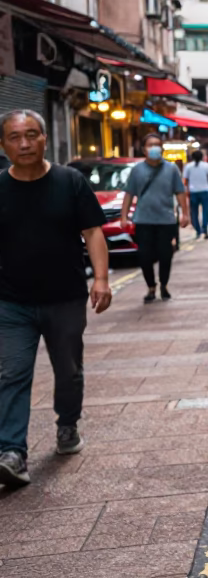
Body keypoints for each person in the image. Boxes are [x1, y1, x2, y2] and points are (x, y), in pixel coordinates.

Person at [0, 109, 112, 487]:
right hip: (11, 302)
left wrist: (100, 279)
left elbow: (93, 232)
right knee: (12, 373)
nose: (24, 143)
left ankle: (67, 425)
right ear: (3, 145)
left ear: (45, 139)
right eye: (15, 137)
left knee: (68, 369)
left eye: (31, 134)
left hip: (64, 298)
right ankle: (12, 452)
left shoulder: (70, 181)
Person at [121, 133, 191, 303]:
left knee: (165, 255)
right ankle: (151, 286)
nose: (154, 148)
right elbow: (129, 194)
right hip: (143, 220)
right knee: (144, 256)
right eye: (150, 145)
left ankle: (164, 285)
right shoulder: (137, 170)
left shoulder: (171, 168)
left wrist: (185, 214)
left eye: (157, 144)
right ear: (144, 149)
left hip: (166, 220)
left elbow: (180, 192)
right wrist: (124, 216)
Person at [184, 149, 208, 240]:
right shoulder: (207, 166)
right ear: (202, 157)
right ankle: (204, 228)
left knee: (194, 212)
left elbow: (185, 181)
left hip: (193, 192)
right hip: (205, 191)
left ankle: (198, 230)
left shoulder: (188, 167)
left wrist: (186, 191)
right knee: (205, 211)